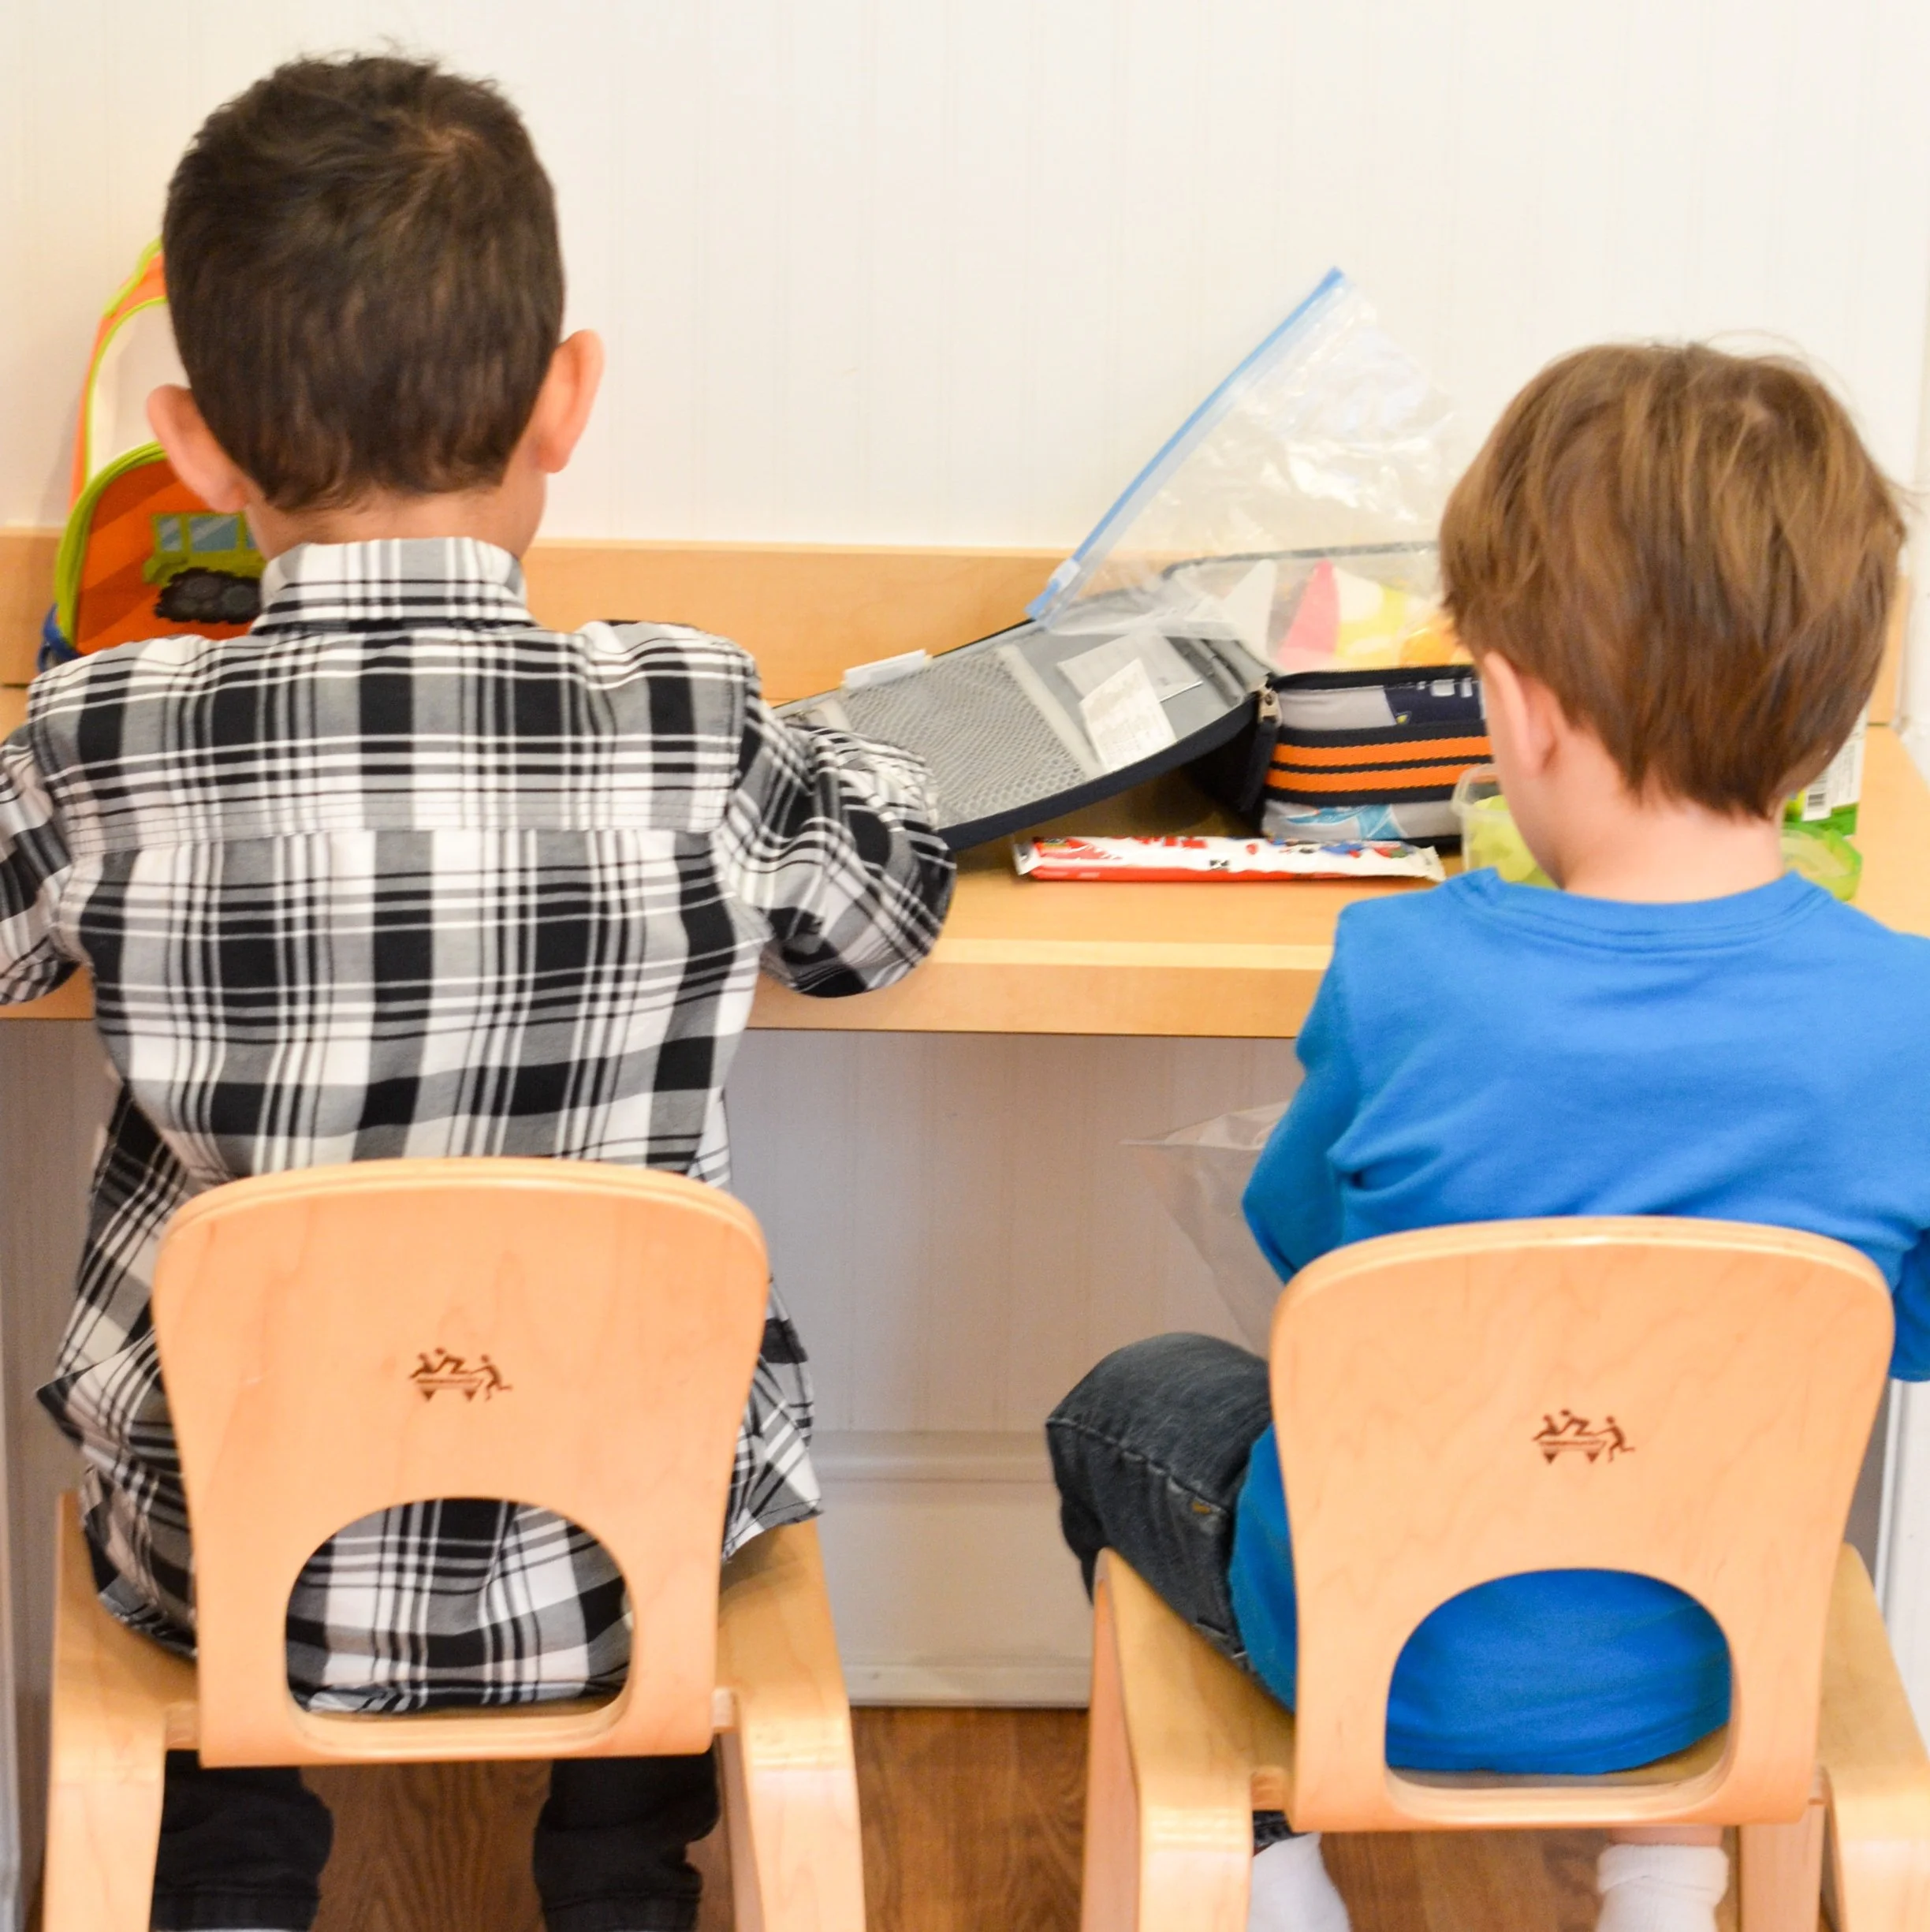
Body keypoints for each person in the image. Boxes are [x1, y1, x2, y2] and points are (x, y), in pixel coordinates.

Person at [0, 54, 955, 1932]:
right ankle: (620, 1862)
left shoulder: (106, 733)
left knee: (230, 1431)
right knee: (682, 1454)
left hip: (235, 1556)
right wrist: (875, 754)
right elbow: (879, 921)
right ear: (564, 399)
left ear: (191, 446)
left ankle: (234, 1861)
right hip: (616, 1559)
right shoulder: (694, 713)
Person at [1048, 342, 1929, 1932]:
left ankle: (1276, 1878)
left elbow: (1308, 1255)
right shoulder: (1910, 1017)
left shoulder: (1410, 970)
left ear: (1513, 709)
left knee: (1121, 1409)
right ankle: (1669, 1865)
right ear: (1829, 727)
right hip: (1719, 1660)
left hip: (1378, 1654)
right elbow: (1900, 1333)